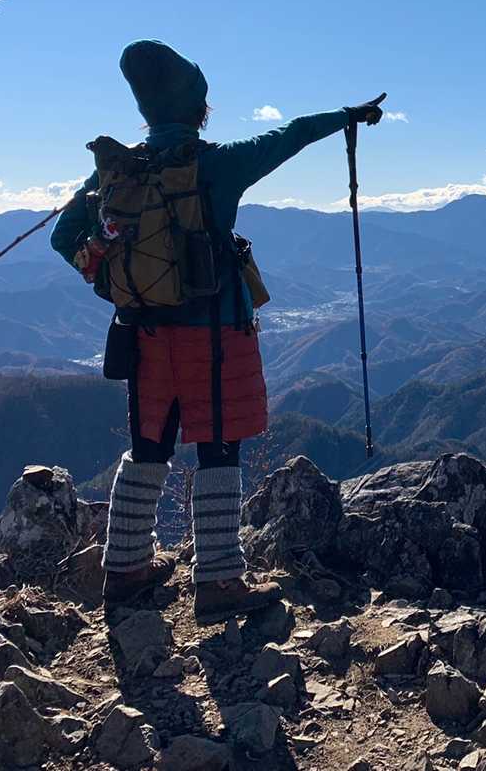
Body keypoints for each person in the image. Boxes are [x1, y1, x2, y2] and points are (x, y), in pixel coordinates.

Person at [51, 39, 383, 623]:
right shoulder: (215, 164)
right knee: (219, 448)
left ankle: (124, 569)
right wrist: (345, 117)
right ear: (199, 107)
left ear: (144, 109)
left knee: (148, 446)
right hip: (216, 333)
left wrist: (111, 278)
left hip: (143, 333)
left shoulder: (117, 172)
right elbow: (289, 134)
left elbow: (63, 237)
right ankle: (220, 580)